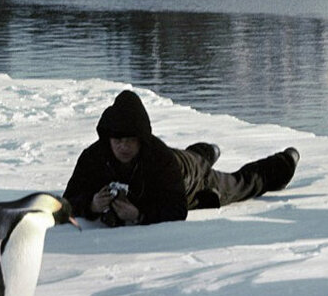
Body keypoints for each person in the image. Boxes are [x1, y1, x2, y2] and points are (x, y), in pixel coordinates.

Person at [63, 90, 300, 227]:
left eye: (130, 140)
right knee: (190, 157)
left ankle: (282, 165)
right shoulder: (93, 157)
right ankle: (205, 151)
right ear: (108, 139)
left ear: (141, 139)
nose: (123, 147)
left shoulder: (159, 159)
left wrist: (139, 215)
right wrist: (92, 204)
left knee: (236, 185)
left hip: (189, 175)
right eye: (118, 141)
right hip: (176, 165)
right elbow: (67, 201)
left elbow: (177, 209)